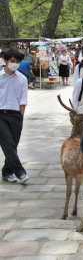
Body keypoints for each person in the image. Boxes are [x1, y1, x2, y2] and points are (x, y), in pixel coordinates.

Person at [0, 49, 29, 184]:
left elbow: (23, 100)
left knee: (12, 144)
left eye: (17, 62)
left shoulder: (22, 79)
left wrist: (20, 117)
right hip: (1, 114)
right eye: (12, 61)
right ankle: (20, 172)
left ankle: (7, 171)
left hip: (16, 115)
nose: (15, 64)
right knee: (7, 142)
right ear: (6, 61)